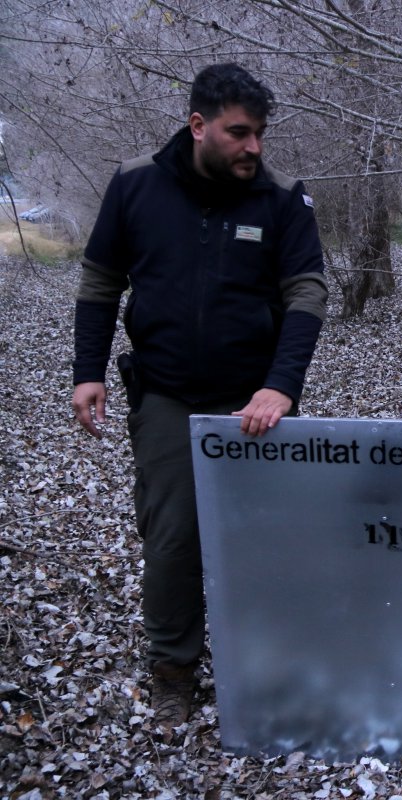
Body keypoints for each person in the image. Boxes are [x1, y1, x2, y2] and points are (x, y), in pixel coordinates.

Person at [70, 63, 328, 739]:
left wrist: (281, 385)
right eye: (239, 133)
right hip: (167, 394)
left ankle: (271, 668)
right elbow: (100, 281)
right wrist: (86, 371)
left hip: (258, 400)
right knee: (174, 537)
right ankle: (173, 674)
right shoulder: (135, 186)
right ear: (197, 125)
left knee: (269, 540)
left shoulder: (281, 199)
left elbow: (306, 293)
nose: (253, 148)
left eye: (260, 134)